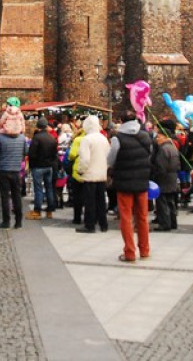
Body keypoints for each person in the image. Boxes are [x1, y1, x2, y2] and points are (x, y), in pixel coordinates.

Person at [107, 109, 152, 262]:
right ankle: (145, 250)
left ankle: (130, 252)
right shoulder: (145, 136)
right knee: (143, 217)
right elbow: (149, 155)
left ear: (121, 121)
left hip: (124, 182)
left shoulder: (117, 138)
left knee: (126, 217)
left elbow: (111, 159)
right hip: (142, 180)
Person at [0, 109, 28, 229]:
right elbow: (25, 152)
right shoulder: (22, 138)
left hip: (3, 170)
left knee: (5, 197)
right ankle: (18, 221)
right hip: (17, 170)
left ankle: (6, 221)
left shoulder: (0, 138)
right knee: (16, 196)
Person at [76, 114, 110, 234]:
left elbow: (85, 159)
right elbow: (108, 156)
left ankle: (89, 225)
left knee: (89, 201)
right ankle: (103, 224)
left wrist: (81, 170)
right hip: (102, 173)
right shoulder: (103, 138)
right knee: (101, 200)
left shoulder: (87, 139)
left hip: (90, 174)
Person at [150, 119, 180, 231]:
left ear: (165, 137)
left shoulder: (163, 149)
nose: (157, 139)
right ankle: (173, 222)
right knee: (170, 201)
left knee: (162, 202)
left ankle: (165, 223)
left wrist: (155, 176)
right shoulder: (173, 148)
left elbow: (160, 166)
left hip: (164, 178)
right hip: (172, 177)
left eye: (159, 137)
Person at [27, 117, 58, 219]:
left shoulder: (37, 138)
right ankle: (50, 210)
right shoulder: (52, 138)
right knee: (49, 188)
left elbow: (31, 153)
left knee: (38, 188)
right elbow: (55, 154)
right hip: (49, 166)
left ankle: (37, 210)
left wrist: (32, 163)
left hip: (38, 166)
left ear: (38, 126)